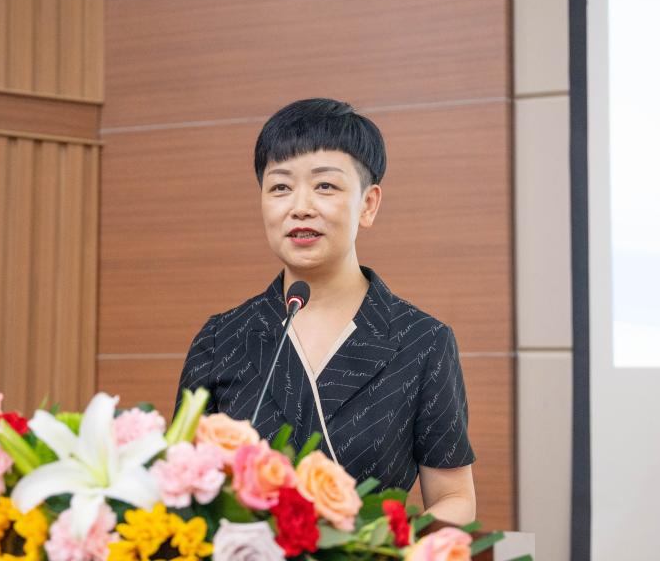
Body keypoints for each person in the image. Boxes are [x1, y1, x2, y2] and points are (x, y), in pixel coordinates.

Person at [176, 98, 476, 523]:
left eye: (325, 186)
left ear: (368, 205)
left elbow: (455, 498)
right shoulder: (220, 338)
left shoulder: (422, 341)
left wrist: (380, 544)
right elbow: (181, 484)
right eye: (280, 187)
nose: (300, 206)